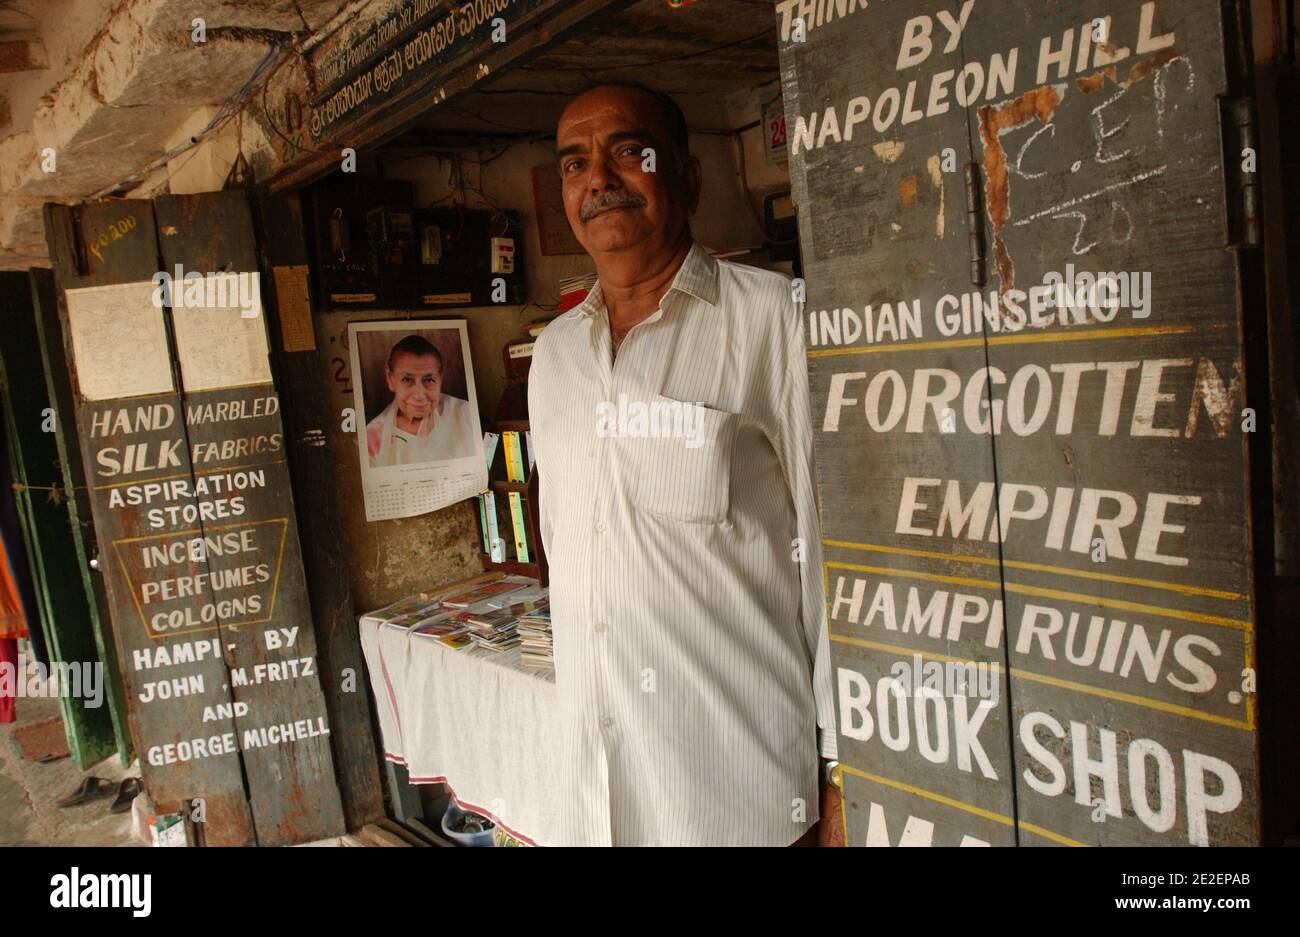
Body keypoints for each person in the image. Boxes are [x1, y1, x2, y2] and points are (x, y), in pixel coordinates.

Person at [528, 79, 837, 846]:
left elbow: (836, 560)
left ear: (688, 175)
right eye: (574, 164)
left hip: (742, 800)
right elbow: (568, 547)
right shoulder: (553, 357)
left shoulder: (774, 319)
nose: (598, 179)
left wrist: (840, 772)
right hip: (598, 798)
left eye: (628, 152)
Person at [366, 334, 478, 467]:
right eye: (407, 380)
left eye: (429, 380)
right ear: (390, 379)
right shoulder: (372, 437)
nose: (419, 395)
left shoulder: (466, 413)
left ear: (440, 379)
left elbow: (491, 449)